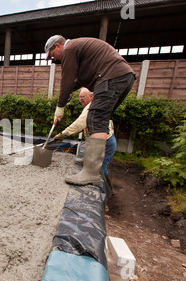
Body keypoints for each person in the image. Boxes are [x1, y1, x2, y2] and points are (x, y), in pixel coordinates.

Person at [44, 35, 135, 186]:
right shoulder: (79, 48)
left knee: (95, 117)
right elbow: (77, 80)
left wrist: (60, 106)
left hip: (111, 77)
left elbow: (66, 79)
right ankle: (90, 161)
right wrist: (71, 91)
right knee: (99, 117)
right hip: (123, 77)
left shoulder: (69, 49)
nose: (55, 59)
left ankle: (91, 172)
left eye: (53, 55)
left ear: (58, 46)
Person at [53, 88, 116, 193]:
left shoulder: (92, 108)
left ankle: (108, 193)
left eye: (83, 97)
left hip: (106, 143)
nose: (80, 99)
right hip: (99, 141)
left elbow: (79, 124)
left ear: (91, 96)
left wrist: (63, 134)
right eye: (79, 97)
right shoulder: (92, 105)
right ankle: (88, 160)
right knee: (98, 165)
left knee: (100, 168)